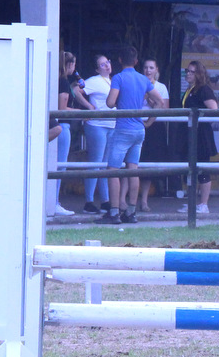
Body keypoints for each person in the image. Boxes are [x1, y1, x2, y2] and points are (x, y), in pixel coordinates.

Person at [95, 46, 164, 225]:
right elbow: (160, 101)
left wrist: (119, 100)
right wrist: (149, 121)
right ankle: (131, 212)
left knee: (113, 170)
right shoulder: (143, 79)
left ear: (119, 60)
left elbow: (110, 102)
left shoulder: (118, 78)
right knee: (133, 169)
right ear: (136, 61)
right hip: (139, 129)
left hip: (123, 129)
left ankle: (114, 212)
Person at [177, 60, 218, 215]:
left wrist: (200, 122)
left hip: (201, 135)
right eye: (187, 70)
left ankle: (204, 204)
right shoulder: (190, 89)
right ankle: (192, 203)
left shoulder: (204, 89)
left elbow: (214, 109)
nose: (188, 74)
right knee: (191, 169)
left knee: (202, 169)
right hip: (189, 134)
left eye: (192, 72)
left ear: (199, 74)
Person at [54, 51, 92, 216]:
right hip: (63, 126)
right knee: (60, 166)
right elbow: (62, 108)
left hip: (62, 126)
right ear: (69, 65)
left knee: (59, 165)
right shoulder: (62, 82)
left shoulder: (63, 81)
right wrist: (80, 112)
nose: (75, 68)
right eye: (74, 64)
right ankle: (54, 202)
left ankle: (54, 201)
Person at [80, 55, 115, 214]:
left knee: (105, 164)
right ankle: (89, 201)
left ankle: (105, 201)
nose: (107, 66)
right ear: (97, 69)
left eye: (107, 62)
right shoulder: (94, 80)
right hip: (97, 125)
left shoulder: (112, 81)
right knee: (95, 162)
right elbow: (76, 90)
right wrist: (88, 106)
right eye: (102, 64)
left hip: (111, 124)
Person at [137, 57, 169, 211]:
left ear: (156, 70)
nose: (148, 70)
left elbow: (165, 109)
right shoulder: (137, 84)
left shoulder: (161, 87)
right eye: (145, 67)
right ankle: (125, 201)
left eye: (151, 68)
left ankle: (144, 201)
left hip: (154, 128)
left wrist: (152, 102)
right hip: (137, 124)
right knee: (132, 163)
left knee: (147, 165)